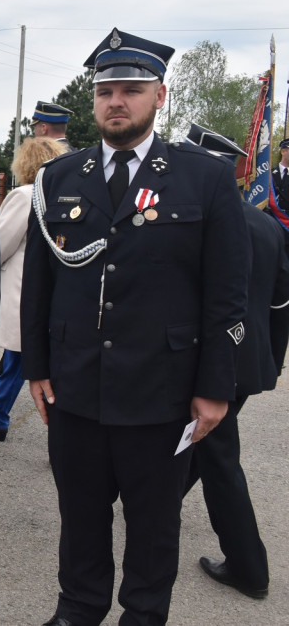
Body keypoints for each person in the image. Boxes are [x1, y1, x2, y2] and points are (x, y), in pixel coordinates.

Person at [22, 29, 249, 626]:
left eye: (131, 89)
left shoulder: (203, 178)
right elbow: (39, 286)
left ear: (160, 96)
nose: (115, 101)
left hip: (162, 388)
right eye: (105, 91)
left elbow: (228, 295)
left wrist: (215, 386)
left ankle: (144, 614)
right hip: (75, 384)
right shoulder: (60, 177)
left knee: (153, 522)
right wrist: (37, 368)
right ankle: (79, 607)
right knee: (81, 513)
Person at [182, 123, 289, 600]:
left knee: (220, 459)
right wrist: (272, 362)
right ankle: (161, 503)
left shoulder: (200, 220)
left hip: (209, 363)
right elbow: (281, 304)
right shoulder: (265, 224)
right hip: (249, 364)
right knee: (203, 446)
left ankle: (249, 567)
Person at [0, 137, 66, 441]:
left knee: (19, 354)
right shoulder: (63, 193)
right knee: (30, 358)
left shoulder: (26, 195)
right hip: (56, 290)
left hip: (24, 288)